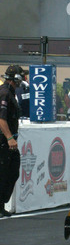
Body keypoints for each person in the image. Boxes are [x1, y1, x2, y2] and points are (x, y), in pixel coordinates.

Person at [0, 65, 22, 217]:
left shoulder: (10, 92)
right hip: (3, 140)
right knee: (3, 172)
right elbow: (1, 119)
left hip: (8, 139)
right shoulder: (5, 93)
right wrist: (9, 138)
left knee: (12, 171)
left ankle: (1, 204)